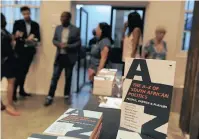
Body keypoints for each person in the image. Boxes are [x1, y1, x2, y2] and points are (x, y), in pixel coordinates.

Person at [44, 12, 81, 106]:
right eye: (61, 17)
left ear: (69, 18)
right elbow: (54, 40)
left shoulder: (75, 29)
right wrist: (59, 44)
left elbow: (78, 43)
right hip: (59, 57)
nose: (62, 19)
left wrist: (67, 46)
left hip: (69, 57)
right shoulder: (58, 28)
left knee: (68, 78)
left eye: (64, 17)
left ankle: (66, 96)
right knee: (55, 77)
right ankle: (50, 97)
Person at [12, 6, 40, 101]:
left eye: (27, 13)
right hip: (19, 51)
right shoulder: (18, 23)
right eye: (24, 14)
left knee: (25, 72)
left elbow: (38, 38)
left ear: (30, 13)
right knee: (18, 72)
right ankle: (13, 93)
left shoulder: (35, 24)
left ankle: (22, 90)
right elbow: (14, 36)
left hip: (29, 51)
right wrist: (18, 36)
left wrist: (33, 38)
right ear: (22, 14)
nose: (26, 15)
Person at [1, 13, 20, 116]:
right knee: (11, 82)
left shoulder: (5, 32)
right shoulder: (4, 32)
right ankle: (9, 105)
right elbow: (8, 48)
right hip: (6, 61)